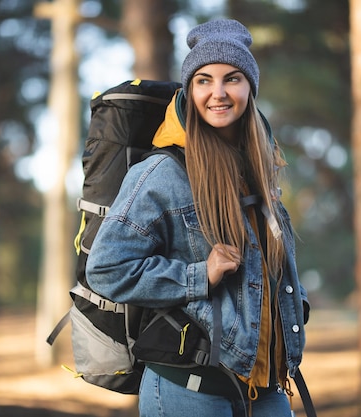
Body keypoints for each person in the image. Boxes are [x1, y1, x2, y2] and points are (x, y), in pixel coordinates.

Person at [86, 18, 310, 417]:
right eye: (204, 80)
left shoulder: (259, 169)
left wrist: (295, 304)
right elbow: (106, 268)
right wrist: (197, 276)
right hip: (190, 389)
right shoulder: (163, 173)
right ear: (189, 89)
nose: (218, 93)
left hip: (268, 384)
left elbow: (273, 265)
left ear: (250, 89)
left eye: (232, 78)